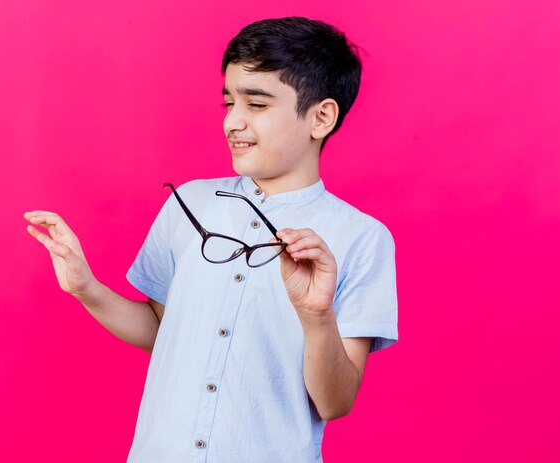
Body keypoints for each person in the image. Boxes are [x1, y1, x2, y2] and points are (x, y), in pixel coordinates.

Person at [24, 16, 398, 463]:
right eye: (228, 103)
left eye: (256, 105)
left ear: (320, 117)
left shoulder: (361, 238)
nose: (232, 123)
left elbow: (335, 403)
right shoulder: (190, 204)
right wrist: (88, 289)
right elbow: (162, 331)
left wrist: (316, 314)